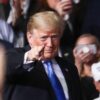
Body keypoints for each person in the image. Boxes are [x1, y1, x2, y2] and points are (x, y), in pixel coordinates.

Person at [4, 11, 82, 100]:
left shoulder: (69, 68)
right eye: (44, 38)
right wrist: (29, 58)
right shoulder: (16, 58)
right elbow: (6, 66)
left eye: (54, 37)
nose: (50, 44)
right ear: (30, 37)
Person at [73, 33, 100, 100]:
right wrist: (77, 64)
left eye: (88, 47)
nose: (84, 51)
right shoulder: (74, 75)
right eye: (80, 47)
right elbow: (72, 90)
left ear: (97, 50)